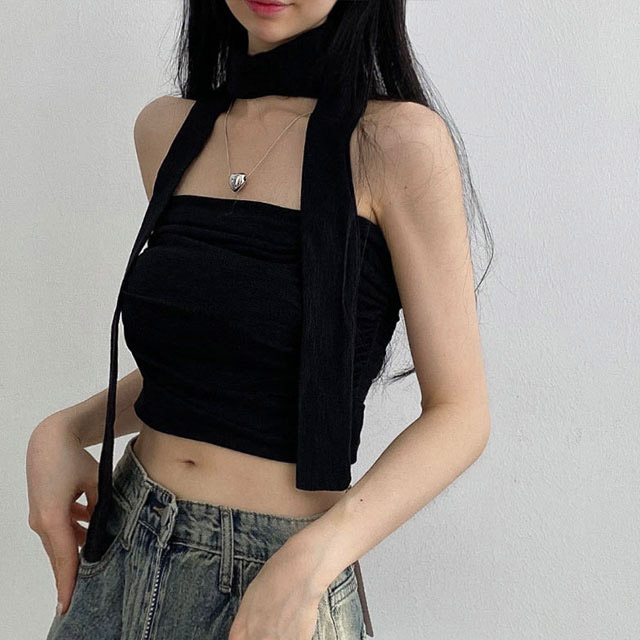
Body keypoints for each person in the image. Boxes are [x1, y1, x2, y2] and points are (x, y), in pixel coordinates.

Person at [27, 1, 493, 638]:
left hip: (274, 577)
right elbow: (217, 363)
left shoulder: (396, 143)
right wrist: (64, 428)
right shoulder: (167, 130)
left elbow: (460, 414)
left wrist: (313, 561)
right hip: (124, 543)